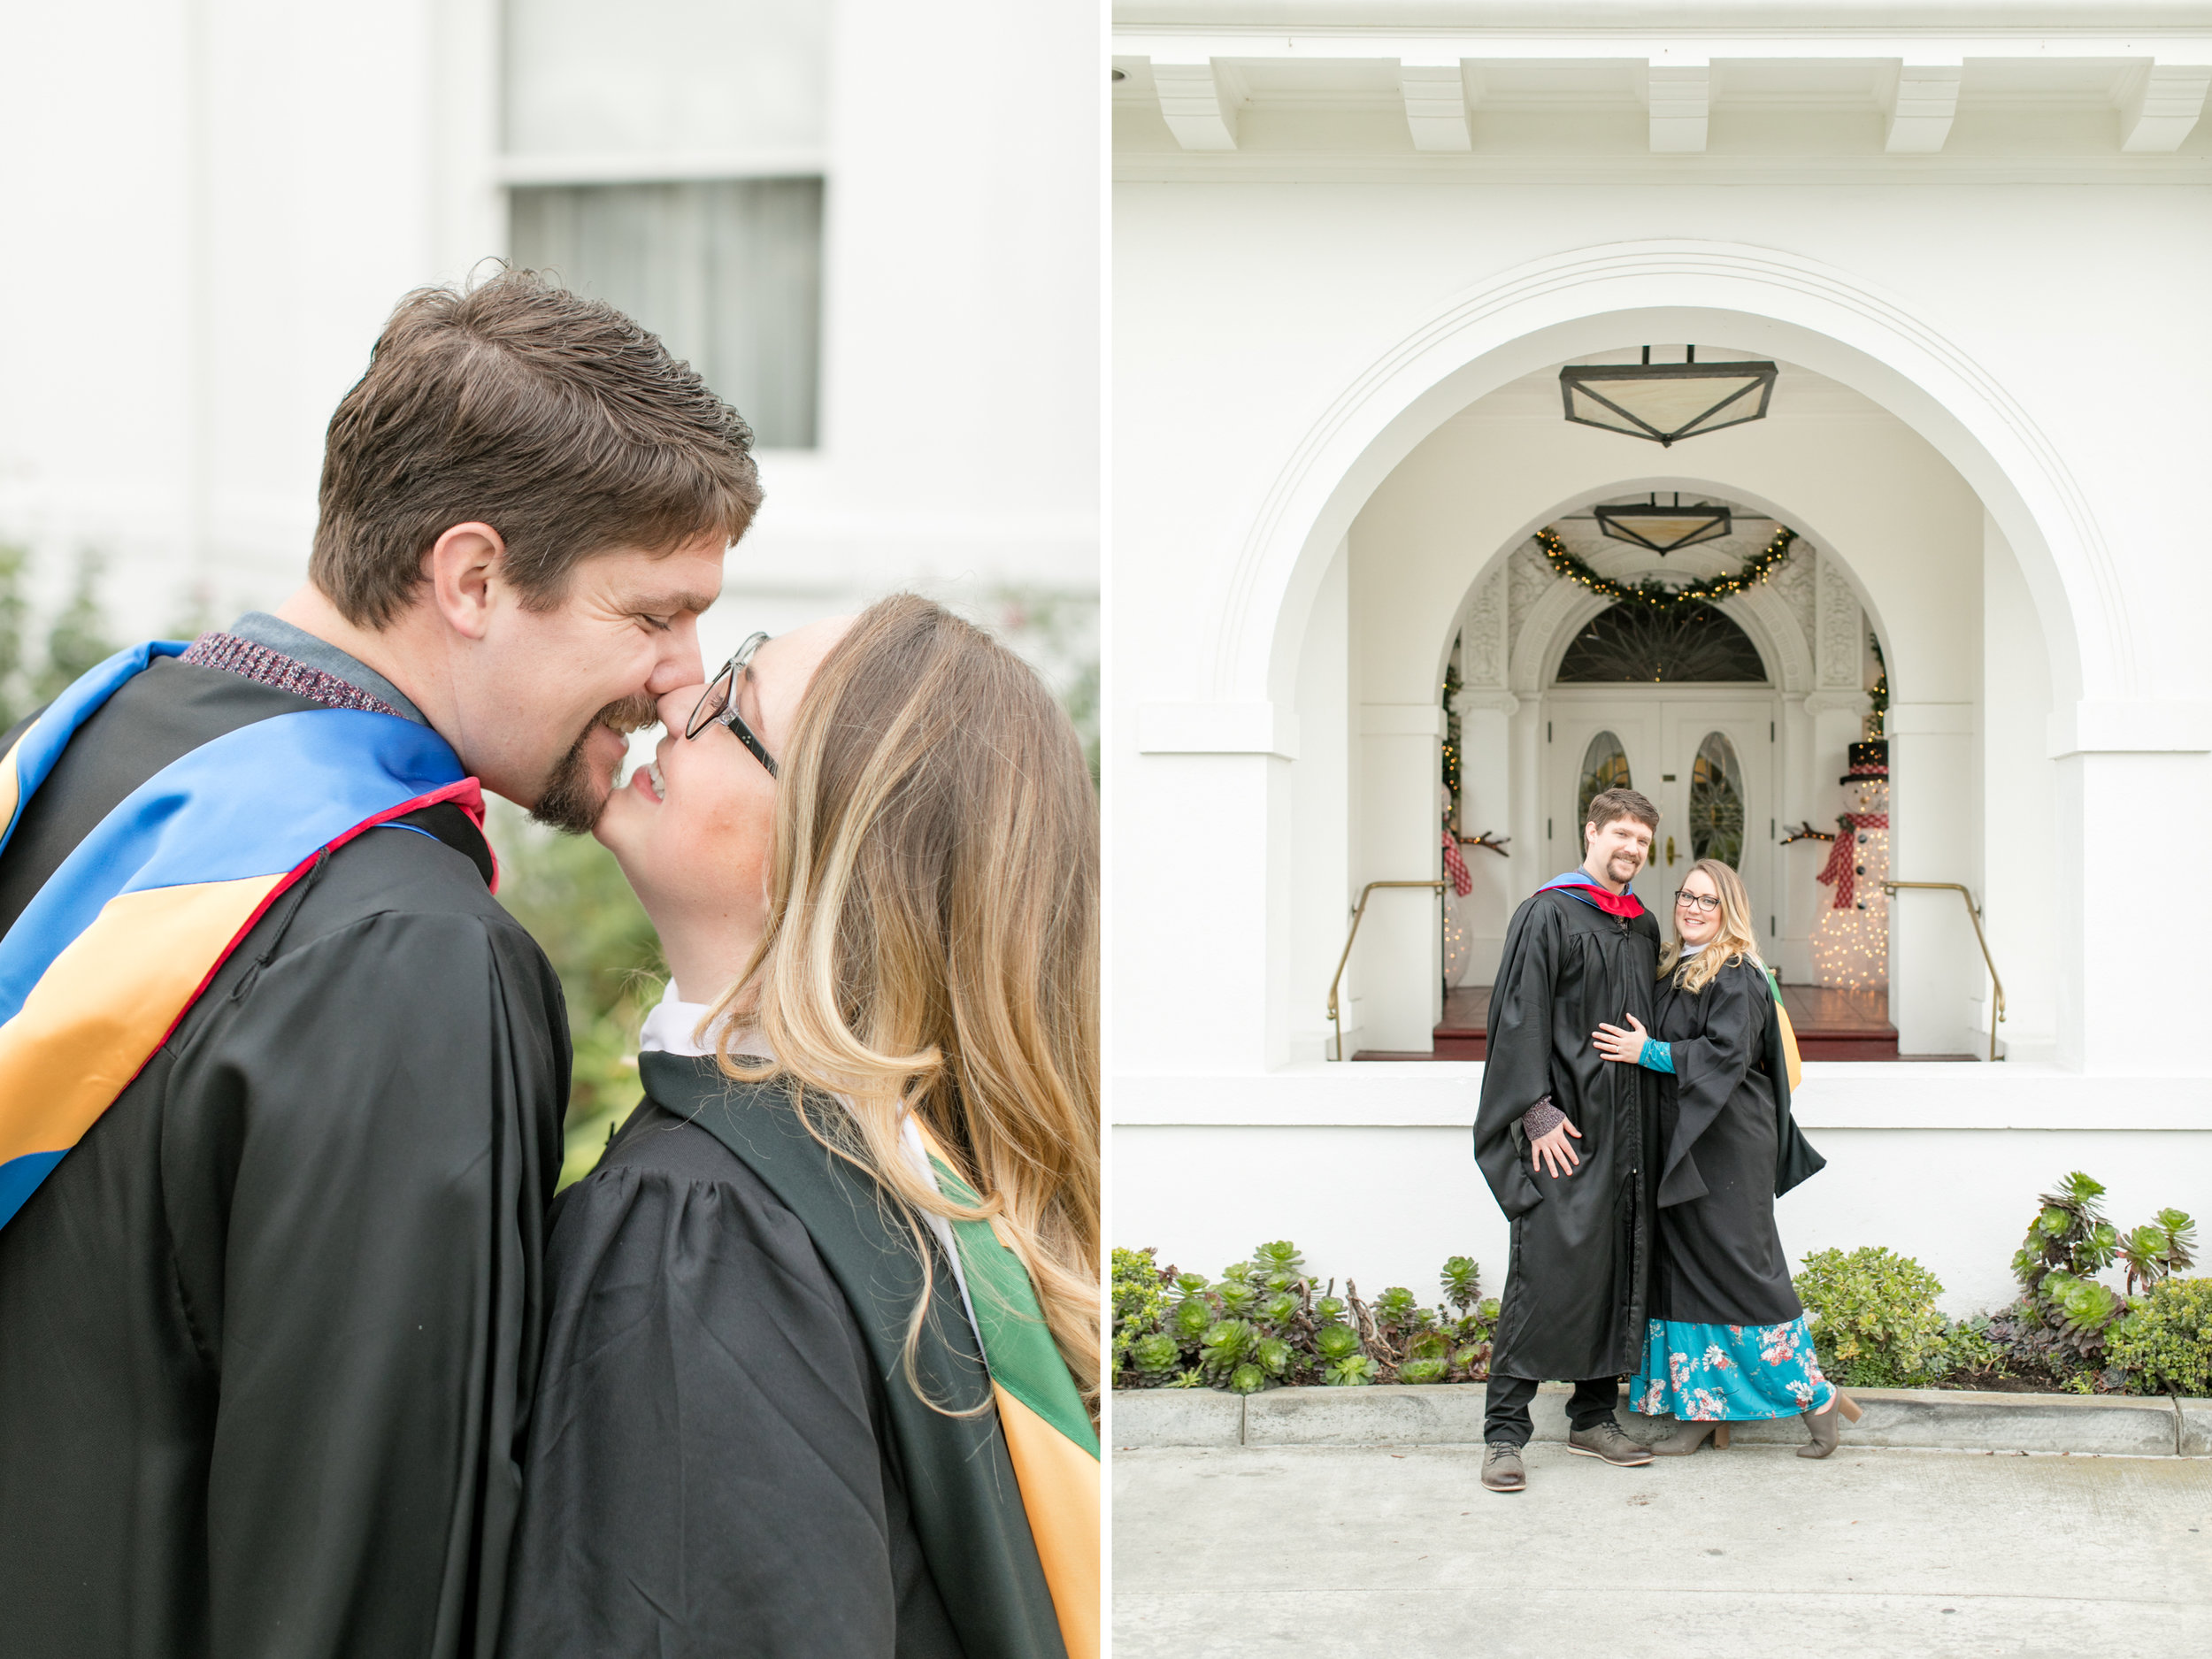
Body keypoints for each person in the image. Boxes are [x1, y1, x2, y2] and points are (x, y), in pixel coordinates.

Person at [0, 270, 759, 1656]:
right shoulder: (410, 959)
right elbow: (372, 1573)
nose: (681, 674)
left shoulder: (93, 755)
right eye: (653, 614)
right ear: (473, 578)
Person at [501, 595, 1101, 1659]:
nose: (674, 698)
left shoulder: (709, 1229)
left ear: (821, 848)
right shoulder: (903, 1182)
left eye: (732, 701)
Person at [1593, 856, 1855, 1457]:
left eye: (1707, 900)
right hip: (1685, 1140)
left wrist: (1646, 1051)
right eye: (1686, 895)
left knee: (1743, 1270)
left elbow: (1725, 1055)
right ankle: (1701, 1408)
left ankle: (1816, 1399)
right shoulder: (1675, 965)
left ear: (1728, 909)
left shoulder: (1736, 970)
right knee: (1685, 1273)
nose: (1692, 907)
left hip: (1729, 1144)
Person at [1471, 787, 1664, 1494]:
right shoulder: (1548, 912)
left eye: (1642, 840)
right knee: (1543, 1272)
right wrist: (1535, 1112)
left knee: (1615, 1268)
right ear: (1592, 832)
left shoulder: (1641, 924)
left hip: (1629, 1131)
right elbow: (1516, 1017)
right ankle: (1504, 1432)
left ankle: (1592, 1417)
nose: (1631, 849)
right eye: (1621, 834)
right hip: (1565, 1128)